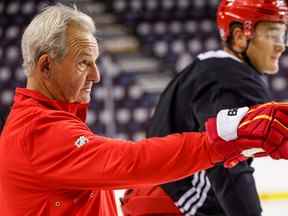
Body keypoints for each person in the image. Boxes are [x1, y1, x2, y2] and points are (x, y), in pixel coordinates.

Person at [0, 3, 288, 216]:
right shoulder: (37, 132)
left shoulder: (43, 124)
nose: (96, 75)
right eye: (83, 62)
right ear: (46, 66)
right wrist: (221, 140)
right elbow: (130, 161)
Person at [122, 0, 288, 216]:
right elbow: (227, 160)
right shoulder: (233, 78)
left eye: (283, 35)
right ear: (239, 37)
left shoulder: (207, 68)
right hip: (175, 203)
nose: (281, 45)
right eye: (273, 34)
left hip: (155, 196)